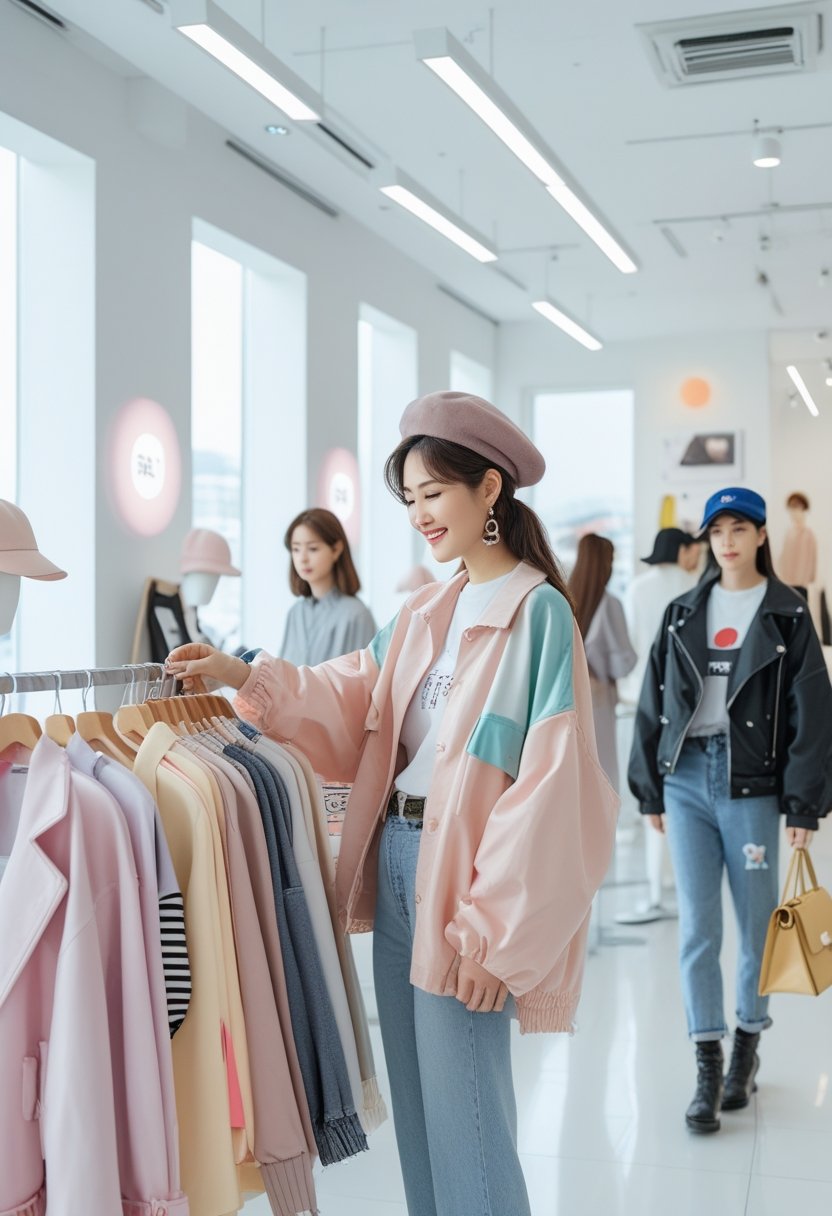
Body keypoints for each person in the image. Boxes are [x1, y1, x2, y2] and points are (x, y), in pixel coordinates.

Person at [167, 390, 619, 1216]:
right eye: (408, 500)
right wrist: (244, 676)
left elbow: (551, 793)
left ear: (490, 489)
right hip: (401, 860)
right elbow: (348, 700)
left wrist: (493, 936)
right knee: (416, 1113)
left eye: (434, 494)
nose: (419, 516)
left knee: (469, 1121)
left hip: (471, 886)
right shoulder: (423, 612)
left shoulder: (537, 613)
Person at [628, 487, 832, 1135]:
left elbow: (813, 718)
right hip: (688, 776)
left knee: (756, 926)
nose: (726, 540)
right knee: (697, 929)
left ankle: (747, 1046)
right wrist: (650, 786)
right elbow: (652, 699)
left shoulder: (788, 613)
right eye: (716, 530)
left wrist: (804, 803)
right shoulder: (682, 609)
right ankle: (707, 1064)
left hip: (753, 785)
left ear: (761, 535)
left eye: (739, 528)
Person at [616, 527, 701, 925]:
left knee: (652, 790)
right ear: (682, 550)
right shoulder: (694, 586)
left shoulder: (637, 588)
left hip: (643, 700)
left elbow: (631, 646)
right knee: (686, 792)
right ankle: (681, 884)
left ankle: (654, 887)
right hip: (690, 707)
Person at [569, 533, 637, 792]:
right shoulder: (610, 604)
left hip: (565, 700)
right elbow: (623, 665)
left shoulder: (563, 597)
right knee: (601, 776)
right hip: (598, 702)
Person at [280, 507, 376, 665]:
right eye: (296, 549)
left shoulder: (356, 615)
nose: (302, 558)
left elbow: (365, 682)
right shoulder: (295, 613)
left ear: (336, 549)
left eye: (312, 548)